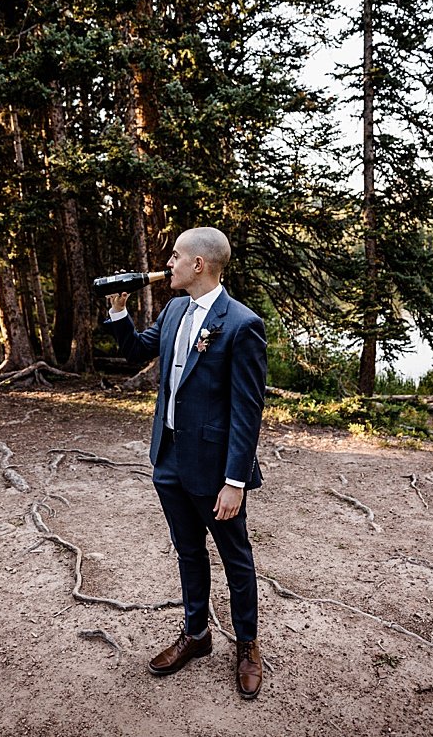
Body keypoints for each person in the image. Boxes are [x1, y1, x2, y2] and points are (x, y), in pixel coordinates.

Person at [101, 227, 269, 701]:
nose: (168, 263)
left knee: (237, 559)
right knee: (188, 550)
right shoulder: (174, 309)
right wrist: (118, 311)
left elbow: (246, 411)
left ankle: (248, 646)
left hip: (216, 469)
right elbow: (136, 350)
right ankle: (197, 634)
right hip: (169, 458)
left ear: (199, 265)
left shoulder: (241, 324)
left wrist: (234, 481)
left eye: (175, 256)